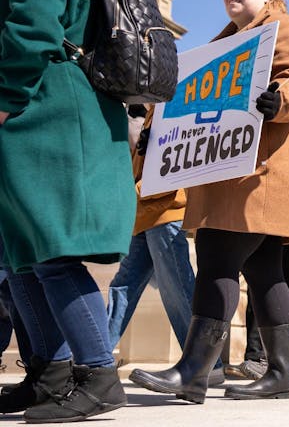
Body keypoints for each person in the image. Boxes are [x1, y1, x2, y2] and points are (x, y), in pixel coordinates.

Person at [130, 0, 289, 402]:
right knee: (264, 271)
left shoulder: (286, 28)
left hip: (259, 172)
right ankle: (282, 375)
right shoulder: (226, 44)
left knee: (217, 256)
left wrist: (279, 101)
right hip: (235, 171)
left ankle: (195, 371)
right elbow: (189, 95)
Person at [0, 0, 134, 421]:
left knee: (49, 251)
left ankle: (99, 375)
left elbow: (28, 34)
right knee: (23, 255)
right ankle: (50, 375)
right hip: (65, 108)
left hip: (44, 111)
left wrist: (5, 99)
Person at [106, 108, 224, 386]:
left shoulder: (171, 109)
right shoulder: (152, 112)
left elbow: (177, 163)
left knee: (178, 290)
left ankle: (207, 364)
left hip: (165, 212)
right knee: (123, 287)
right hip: (146, 213)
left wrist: (132, 193)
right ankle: (94, 359)